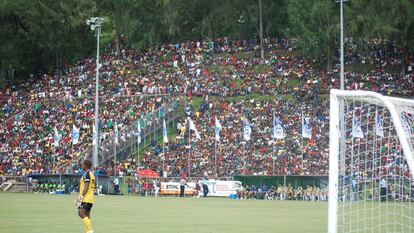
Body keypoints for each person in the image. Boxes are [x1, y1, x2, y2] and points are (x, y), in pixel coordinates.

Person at [76, 159, 95, 233]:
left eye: (83, 164)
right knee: (87, 215)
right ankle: (87, 230)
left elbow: (86, 187)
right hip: (90, 199)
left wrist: (81, 196)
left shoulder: (87, 174)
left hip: (86, 198)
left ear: (85, 165)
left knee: (80, 213)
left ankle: (89, 230)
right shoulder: (92, 174)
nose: (81, 165)